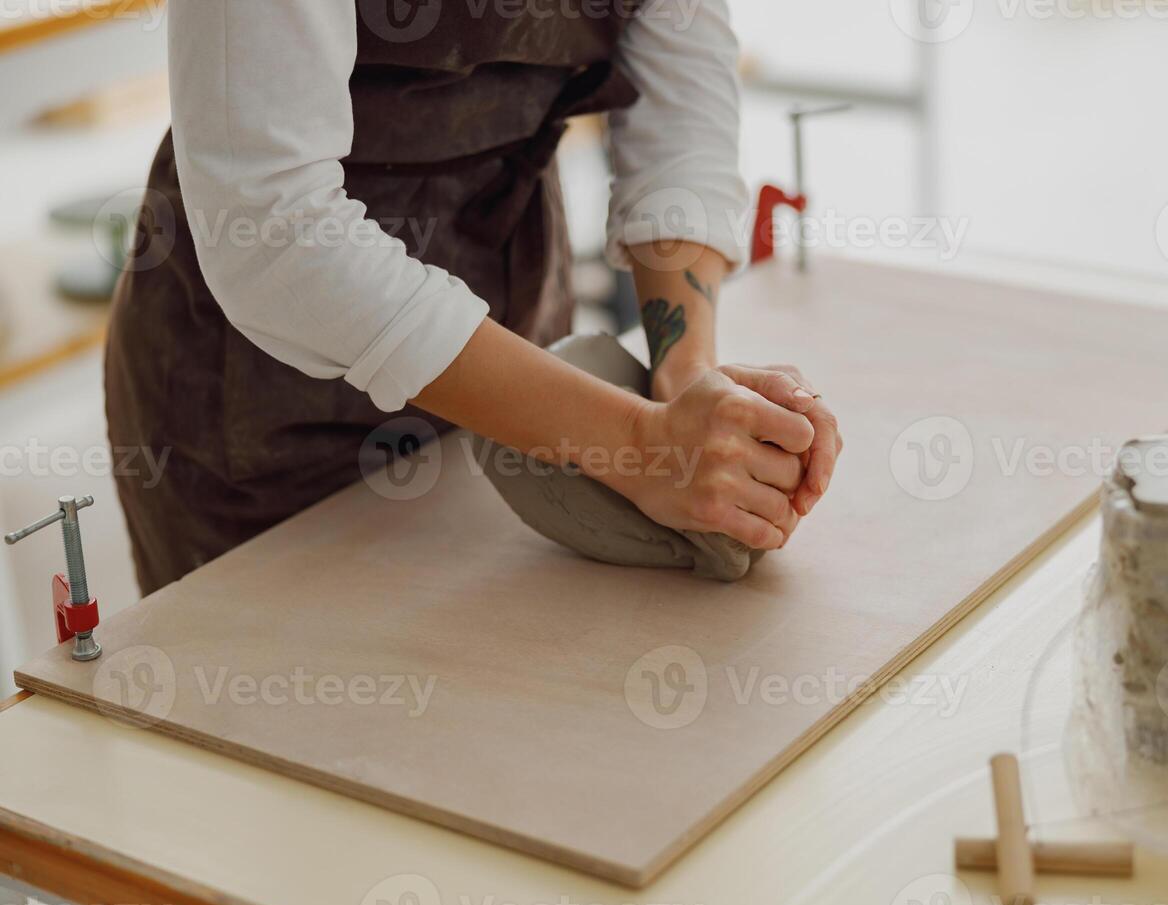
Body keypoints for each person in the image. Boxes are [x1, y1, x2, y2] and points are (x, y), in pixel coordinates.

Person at [104, 0, 841, 595]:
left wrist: (687, 375)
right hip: (261, 393)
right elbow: (273, 232)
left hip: (512, 313)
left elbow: (679, 117)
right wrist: (639, 446)